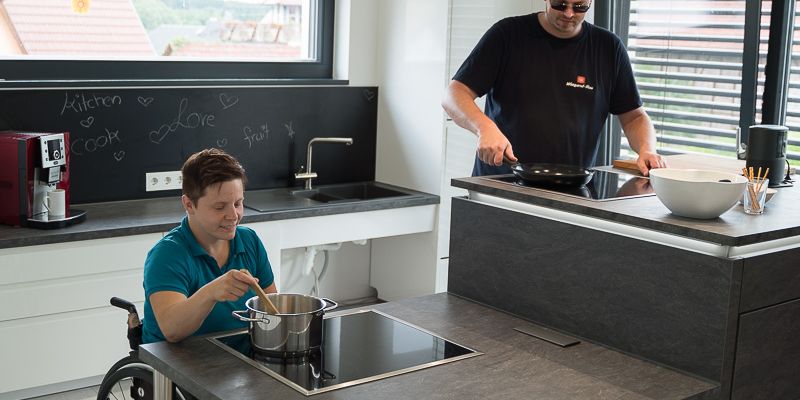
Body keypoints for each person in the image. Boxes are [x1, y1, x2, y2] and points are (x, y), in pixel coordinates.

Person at [441, 0, 666, 177]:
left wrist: (647, 149)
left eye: (579, 6)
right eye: (560, 4)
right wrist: (484, 128)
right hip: (500, 183)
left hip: (572, 189)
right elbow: (454, 94)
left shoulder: (609, 48)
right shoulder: (507, 34)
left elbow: (634, 117)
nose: (569, 13)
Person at [142, 148, 277, 343]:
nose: (233, 216)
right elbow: (171, 329)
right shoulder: (167, 255)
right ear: (189, 204)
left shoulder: (249, 241)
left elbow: (271, 308)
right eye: (220, 207)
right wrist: (212, 292)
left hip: (240, 356)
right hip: (179, 359)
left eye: (238, 203)